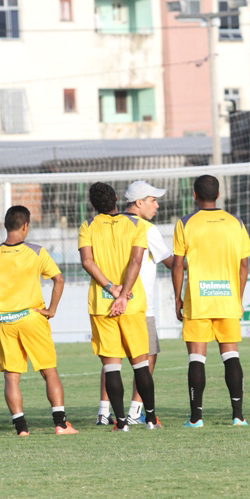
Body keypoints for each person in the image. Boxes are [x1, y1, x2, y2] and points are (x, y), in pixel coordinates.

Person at [0, 206, 78, 436]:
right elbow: (59, 279)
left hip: (5, 321)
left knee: (11, 376)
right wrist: (52, 309)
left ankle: (21, 428)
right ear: (25, 226)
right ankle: (61, 424)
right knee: (49, 371)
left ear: (6, 226)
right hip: (31, 317)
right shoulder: (35, 251)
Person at [173, 175, 250, 427]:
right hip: (227, 299)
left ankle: (196, 418)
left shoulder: (185, 223)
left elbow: (177, 265)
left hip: (198, 300)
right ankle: (238, 416)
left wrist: (177, 298)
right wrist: (238, 298)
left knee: (197, 358)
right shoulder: (236, 223)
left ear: (194, 195)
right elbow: (244, 265)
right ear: (218, 195)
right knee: (231, 355)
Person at [79, 182, 160, 432]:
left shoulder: (88, 226)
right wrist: (124, 295)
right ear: (116, 198)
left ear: (93, 204)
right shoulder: (136, 225)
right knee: (140, 364)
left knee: (111, 366)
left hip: (102, 305)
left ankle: (121, 423)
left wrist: (111, 288)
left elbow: (87, 262)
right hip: (132, 304)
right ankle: (150, 419)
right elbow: (136, 261)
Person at [96, 181, 173, 426]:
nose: (157, 206)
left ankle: (104, 412)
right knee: (146, 358)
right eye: (153, 200)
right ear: (139, 202)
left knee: (111, 360)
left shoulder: (103, 225)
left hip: (108, 302)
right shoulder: (145, 228)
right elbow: (171, 262)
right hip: (139, 305)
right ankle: (137, 412)